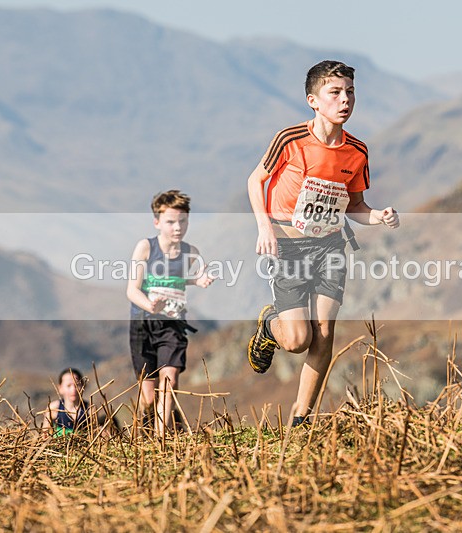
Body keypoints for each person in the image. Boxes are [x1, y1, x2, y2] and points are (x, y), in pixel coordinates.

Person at [246, 60, 399, 427]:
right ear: (314, 100)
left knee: (325, 331)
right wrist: (264, 227)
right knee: (299, 339)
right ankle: (269, 325)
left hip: (330, 246)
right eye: (335, 92)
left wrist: (378, 216)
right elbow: (256, 181)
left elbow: (356, 206)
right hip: (289, 247)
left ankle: (302, 419)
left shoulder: (357, 151)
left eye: (350, 92)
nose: (345, 99)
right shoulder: (290, 140)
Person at [126, 190, 213, 437]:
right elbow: (132, 290)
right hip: (143, 324)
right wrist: (149, 305)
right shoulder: (145, 247)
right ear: (157, 222)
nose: (178, 228)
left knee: (170, 380)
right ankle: (149, 418)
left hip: (173, 324)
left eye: (183, 221)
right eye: (170, 222)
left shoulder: (190, 251)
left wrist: (199, 280)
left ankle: (160, 438)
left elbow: (178, 279)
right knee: (148, 396)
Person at [42, 367, 91, 436]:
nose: (73, 389)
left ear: (83, 386)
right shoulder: (53, 408)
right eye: (68, 386)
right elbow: (44, 435)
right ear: (60, 388)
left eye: (77, 385)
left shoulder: (90, 409)